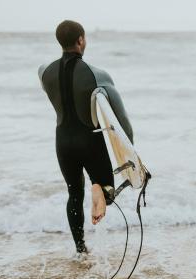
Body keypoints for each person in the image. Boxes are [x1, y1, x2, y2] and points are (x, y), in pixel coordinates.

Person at [38, 20, 133, 254]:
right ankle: (97, 188)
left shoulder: (45, 73)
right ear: (81, 40)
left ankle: (80, 249)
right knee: (107, 191)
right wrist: (130, 154)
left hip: (62, 142)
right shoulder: (97, 74)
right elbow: (122, 122)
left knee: (73, 192)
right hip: (89, 141)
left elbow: (44, 73)